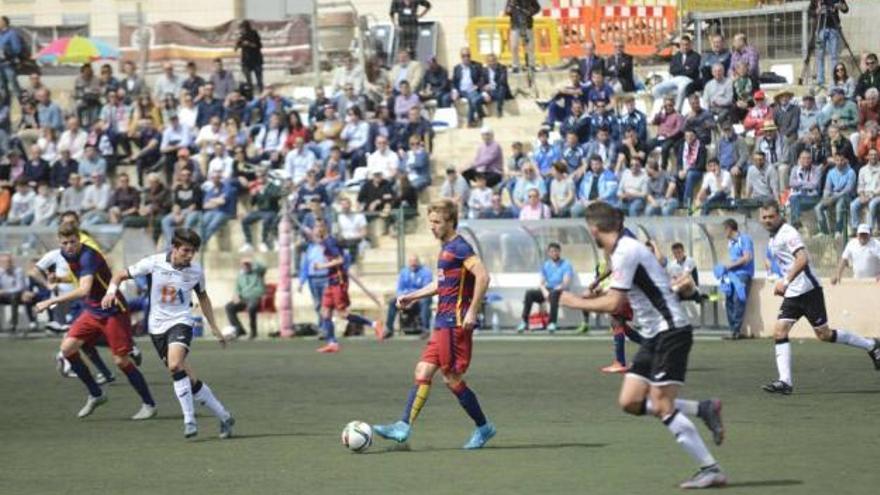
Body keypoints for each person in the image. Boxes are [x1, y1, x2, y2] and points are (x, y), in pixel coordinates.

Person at [559, 202, 726, 488]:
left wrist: (574, 301)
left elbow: (615, 303)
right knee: (630, 402)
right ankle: (702, 409)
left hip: (671, 331)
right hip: (653, 334)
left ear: (595, 229)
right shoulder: (624, 250)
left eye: (591, 231)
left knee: (661, 404)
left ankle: (710, 469)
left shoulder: (626, 250)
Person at [373, 199, 495, 449]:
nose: (432, 227)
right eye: (430, 222)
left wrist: (472, 310)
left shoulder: (460, 247)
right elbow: (442, 285)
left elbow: (483, 276)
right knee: (422, 371)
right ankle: (403, 426)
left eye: (437, 222)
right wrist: (412, 296)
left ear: (451, 222)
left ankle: (483, 428)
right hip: (442, 322)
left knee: (451, 378)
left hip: (454, 323)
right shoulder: (446, 249)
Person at [102, 228, 235, 439]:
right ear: (174, 247)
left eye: (193, 252)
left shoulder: (196, 271)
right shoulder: (154, 262)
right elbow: (118, 276)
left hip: (181, 322)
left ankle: (189, 420)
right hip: (157, 329)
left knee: (174, 365)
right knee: (187, 378)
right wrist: (110, 293)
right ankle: (225, 416)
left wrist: (215, 327)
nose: (189, 256)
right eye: (185, 251)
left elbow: (203, 298)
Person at [33, 223, 157, 420]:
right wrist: (60, 279)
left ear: (79, 238)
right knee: (67, 349)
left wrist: (50, 301)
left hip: (112, 310)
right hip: (91, 310)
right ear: (60, 243)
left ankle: (149, 404)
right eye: (65, 243)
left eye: (73, 241)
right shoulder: (66, 254)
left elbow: (83, 289)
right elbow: (80, 280)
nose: (69, 246)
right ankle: (96, 393)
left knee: (121, 361)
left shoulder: (89, 255)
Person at [759, 200, 880, 395]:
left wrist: (786, 281)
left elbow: (802, 258)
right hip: (793, 293)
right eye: (764, 217)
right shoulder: (774, 238)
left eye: (771, 216)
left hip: (808, 290)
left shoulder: (788, 233)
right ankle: (785, 382)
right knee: (780, 331)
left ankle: (871, 345)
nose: (767, 220)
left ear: (779, 215)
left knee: (823, 334)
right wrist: (781, 280)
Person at [313, 218, 384, 353]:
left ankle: (374, 324)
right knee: (325, 312)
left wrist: (321, 266)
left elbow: (339, 260)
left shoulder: (330, 242)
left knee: (343, 314)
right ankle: (332, 343)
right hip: (331, 281)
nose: (315, 229)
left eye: (317, 227)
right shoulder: (326, 241)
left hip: (339, 282)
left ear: (323, 228)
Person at [517, 242, 576, 334]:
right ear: (548, 253)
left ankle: (552, 323)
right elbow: (541, 283)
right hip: (548, 289)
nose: (554, 253)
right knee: (529, 293)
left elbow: (565, 282)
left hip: (560, 290)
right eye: (551, 251)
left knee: (554, 294)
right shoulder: (546, 265)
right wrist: (544, 291)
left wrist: (557, 288)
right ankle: (524, 321)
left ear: (559, 252)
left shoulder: (566, 264)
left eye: (556, 251)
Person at [720, 219, 754, 340]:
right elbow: (734, 260)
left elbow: (747, 258)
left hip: (743, 274)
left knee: (738, 300)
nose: (723, 233)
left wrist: (729, 266)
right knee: (729, 299)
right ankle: (732, 330)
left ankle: (736, 330)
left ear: (729, 229)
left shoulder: (744, 239)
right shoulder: (730, 243)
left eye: (724, 230)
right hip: (732, 275)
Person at [385, 255, 433, 338]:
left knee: (425, 301)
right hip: (407, 298)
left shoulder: (426, 272)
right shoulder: (404, 272)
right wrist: (402, 299)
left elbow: (426, 289)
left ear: (418, 262)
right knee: (392, 302)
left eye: (415, 262)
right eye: (411, 262)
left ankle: (425, 329)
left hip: (420, 298)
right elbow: (400, 289)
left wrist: (413, 299)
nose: (413, 264)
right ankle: (389, 329)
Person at [652, 35, 701, 112]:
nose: (685, 47)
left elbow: (692, 71)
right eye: (683, 45)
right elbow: (672, 70)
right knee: (656, 89)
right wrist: (685, 68)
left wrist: (680, 69)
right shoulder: (676, 56)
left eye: (687, 44)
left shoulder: (696, 56)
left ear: (690, 45)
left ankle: (677, 111)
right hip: (675, 79)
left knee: (681, 89)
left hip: (688, 79)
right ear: (680, 45)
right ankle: (663, 110)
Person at [224, 258, 266, 340]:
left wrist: (253, 261)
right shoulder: (240, 276)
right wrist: (236, 296)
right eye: (244, 265)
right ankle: (239, 329)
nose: (246, 266)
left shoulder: (257, 273)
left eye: (248, 264)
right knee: (229, 307)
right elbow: (237, 289)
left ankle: (253, 332)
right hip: (243, 299)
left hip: (255, 298)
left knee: (251, 308)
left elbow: (263, 267)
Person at [814, 153, 856, 236]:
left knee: (840, 203)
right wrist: (826, 198)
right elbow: (827, 188)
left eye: (842, 160)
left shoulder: (851, 172)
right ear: (834, 161)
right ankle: (824, 231)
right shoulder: (831, 172)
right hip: (833, 196)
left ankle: (838, 230)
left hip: (847, 197)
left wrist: (833, 197)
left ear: (845, 160)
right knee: (818, 207)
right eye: (837, 160)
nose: (840, 162)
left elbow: (848, 189)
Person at [811, 0, 849, 87]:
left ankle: (834, 78)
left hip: (834, 27)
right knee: (820, 55)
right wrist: (818, 10)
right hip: (821, 28)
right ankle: (820, 79)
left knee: (834, 55)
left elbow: (846, 9)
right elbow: (811, 12)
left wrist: (839, 6)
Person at [788, 149, 823, 227]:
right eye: (803, 158)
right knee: (793, 198)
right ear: (799, 159)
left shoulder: (817, 170)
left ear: (811, 159)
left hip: (813, 198)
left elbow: (814, 185)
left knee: (794, 200)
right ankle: (796, 222)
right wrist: (806, 183)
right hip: (799, 197)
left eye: (808, 158)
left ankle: (795, 223)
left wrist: (799, 183)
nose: (806, 160)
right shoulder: (795, 169)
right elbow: (791, 183)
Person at [505, 0, 541, 73]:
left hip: (527, 24)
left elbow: (537, 8)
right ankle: (515, 65)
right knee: (514, 46)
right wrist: (511, 6)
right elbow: (507, 11)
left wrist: (529, 12)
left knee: (530, 46)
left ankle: (531, 65)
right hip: (515, 25)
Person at [849, 149, 880, 231]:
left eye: (875, 155)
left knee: (872, 204)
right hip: (865, 194)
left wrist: (870, 196)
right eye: (871, 155)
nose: (873, 157)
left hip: (877, 195)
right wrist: (862, 195)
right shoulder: (863, 170)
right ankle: (856, 228)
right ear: (868, 157)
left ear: (878, 156)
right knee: (853, 205)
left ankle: (870, 229)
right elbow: (860, 185)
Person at [0, 252, 26, 333]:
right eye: (4, 262)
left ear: (11, 262)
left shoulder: (18, 271)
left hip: (15, 295)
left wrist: (5, 291)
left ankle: (13, 324)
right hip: (2, 295)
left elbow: (20, 287)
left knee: (14, 297)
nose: (6, 264)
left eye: (8, 262)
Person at [235, 20, 263, 93]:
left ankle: (261, 92)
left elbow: (259, 46)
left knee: (259, 80)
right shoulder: (241, 36)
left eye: (242, 28)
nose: (241, 30)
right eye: (240, 28)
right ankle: (251, 94)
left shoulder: (254, 33)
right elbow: (236, 48)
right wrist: (238, 42)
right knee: (248, 80)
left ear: (246, 27)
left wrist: (249, 44)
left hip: (256, 60)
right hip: (246, 61)